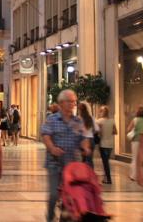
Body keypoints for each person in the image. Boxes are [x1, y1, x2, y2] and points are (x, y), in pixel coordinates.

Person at [41, 90, 91, 222]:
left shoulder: (78, 121)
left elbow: (84, 137)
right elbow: (46, 135)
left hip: (72, 165)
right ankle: (50, 217)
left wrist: (85, 147)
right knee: (53, 194)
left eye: (74, 101)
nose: (73, 104)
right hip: (55, 163)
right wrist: (52, 148)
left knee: (70, 195)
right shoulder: (52, 119)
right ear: (62, 103)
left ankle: (65, 218)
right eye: (70, 101)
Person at [96, 105, 117, 184]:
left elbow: (97, 132)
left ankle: (108, 179)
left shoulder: (99, 121)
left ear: (101, 112)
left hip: (103, 144)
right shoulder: (112, 121)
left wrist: (102, 131)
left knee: (105, 162)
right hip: (110, 144)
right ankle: (105, 178)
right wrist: (109, 131)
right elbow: (115, 132)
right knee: (106, 161)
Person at [127, 106, 143, 181]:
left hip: (136, 141)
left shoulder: (135, 120)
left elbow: (128, 129)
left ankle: (134, 176)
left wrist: (135, 129)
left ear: (138, 112)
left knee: (135, 158)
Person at [77, 102, 98, 168]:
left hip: (83, 140)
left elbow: (77, 131)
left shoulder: (79, 119)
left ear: (80, 110)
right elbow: (97, 129)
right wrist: (91, 133)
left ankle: (83, 176)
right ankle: (91, 176)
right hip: (91, 140)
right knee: (90, 160)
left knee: (83, 160)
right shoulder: (91, 118)